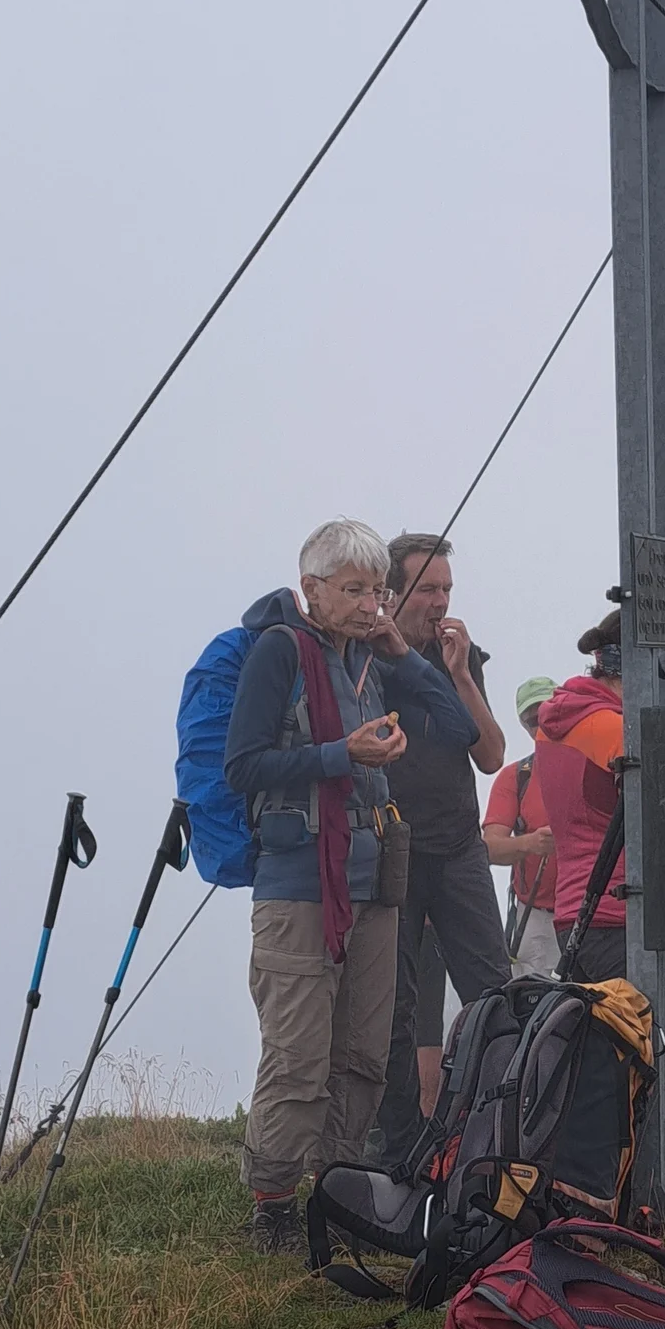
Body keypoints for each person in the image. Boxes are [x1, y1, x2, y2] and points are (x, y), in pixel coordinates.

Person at [224, 518, 481, 1254]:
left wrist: (405, 653)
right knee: (300, 1051)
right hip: (300, 881)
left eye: (377, 589)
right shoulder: (281, 653)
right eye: (354, 589)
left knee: (366, 1050)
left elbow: (455, 724)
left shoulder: (374, 658)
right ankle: (272, 1203)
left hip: (374, 881)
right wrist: (343, 752)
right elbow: (242, 766)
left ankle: (333, 1186)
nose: (370, 603)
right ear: (311, 590)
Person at [369, 532, 508, 1169]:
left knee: (493, 991)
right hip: (392, 847)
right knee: (393, 1007)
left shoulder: (462, 655)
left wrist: (459, 675)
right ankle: (400, 1147)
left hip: (457, 846)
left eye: (446, 588)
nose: (440, 600)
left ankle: (492, 1136)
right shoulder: (371, 661)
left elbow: (491, 755)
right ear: (392, 594)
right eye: (428, 588)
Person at [536, 615, 628, 981]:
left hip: (574, 915)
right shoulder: (617, 730)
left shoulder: (558, 723)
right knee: (647, 1036)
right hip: (619, 915)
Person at [483, 678, 561, 973]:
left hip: (596, 913)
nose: (541, 725)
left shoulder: (597, 762)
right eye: (532, 720)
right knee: (534, 1011)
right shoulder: (514, 778)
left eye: (547, 713)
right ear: (522, 725)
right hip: (536, 917)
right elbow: (489, 848)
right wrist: (530, 843)